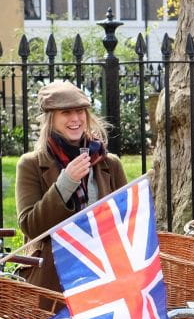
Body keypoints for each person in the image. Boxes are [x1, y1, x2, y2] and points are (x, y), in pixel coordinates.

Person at [16, 81, 127, 292]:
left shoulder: (109, 164)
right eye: (66, 112)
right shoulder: (31, 164)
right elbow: (31, 227)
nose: (75, 119)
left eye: (80, 111)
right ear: (51, 118)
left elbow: (126, 220)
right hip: (54, 280)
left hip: (103, 276)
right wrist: (66, 183)